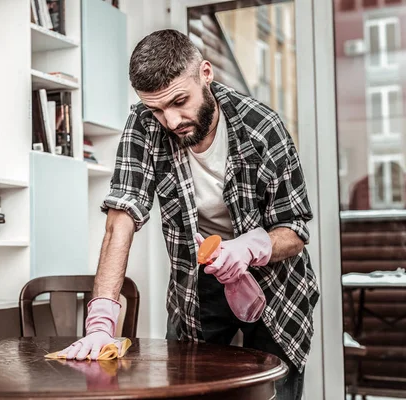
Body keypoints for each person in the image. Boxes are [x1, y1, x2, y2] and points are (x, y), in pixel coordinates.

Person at [58, 29, 320, 400]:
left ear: (206, 74)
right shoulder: (146, 126)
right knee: (188, 390)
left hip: (275, 284)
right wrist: (101, 320)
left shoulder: (262, 127)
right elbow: (121, 220)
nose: (171, 119)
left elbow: (294, 229)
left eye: (180, 101)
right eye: (157, 108)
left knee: (274, 392)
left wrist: (247, 248)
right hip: (197, 284)